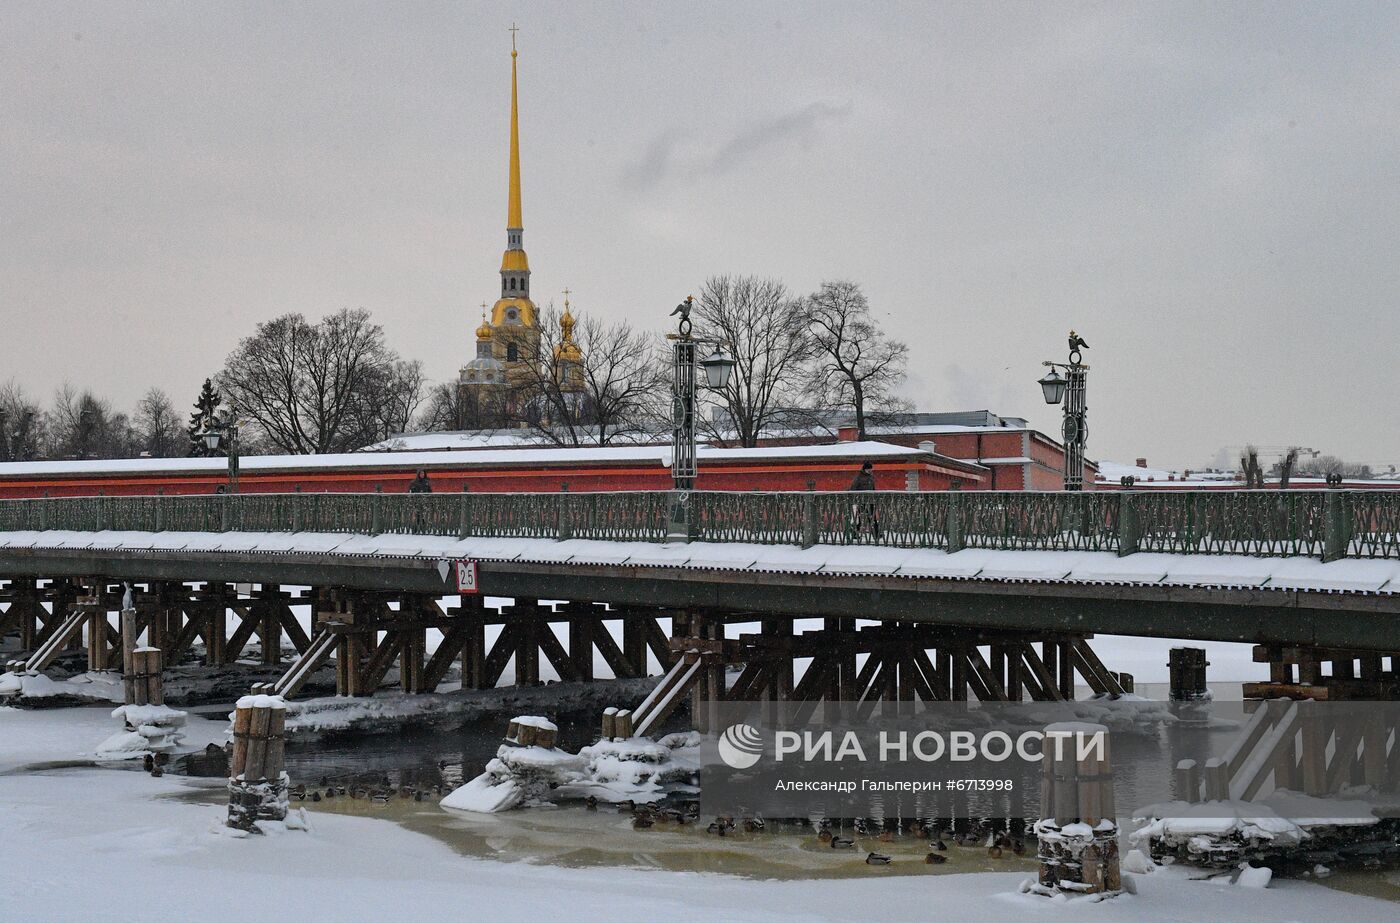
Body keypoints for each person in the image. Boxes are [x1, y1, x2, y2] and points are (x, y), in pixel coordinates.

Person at [847, 462, 880, 539]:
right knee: (858, 518)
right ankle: (855, 534)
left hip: (870, 500)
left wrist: (874, 496)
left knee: (872, 518)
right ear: (864, 469)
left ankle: (876, 534)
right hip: (860, 501)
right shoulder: (858, 477)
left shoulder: (871, 477)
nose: (870, 470)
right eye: (868, 469)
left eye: (871, 469)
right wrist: (856, 498)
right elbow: (853, 488)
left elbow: (873, 488)